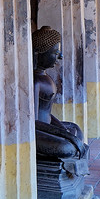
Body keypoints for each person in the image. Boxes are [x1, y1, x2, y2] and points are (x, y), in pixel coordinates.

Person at [32, 26, 88, 164]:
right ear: (38, 53)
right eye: (55, 52)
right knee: (66, 147)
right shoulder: (35, 82)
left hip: (47, 127)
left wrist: (64, 131)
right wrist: (63, 134)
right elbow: (33, 121)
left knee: (75, 129)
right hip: (36, 131)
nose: (60, 56)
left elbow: (46, 113)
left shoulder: (46, 78)